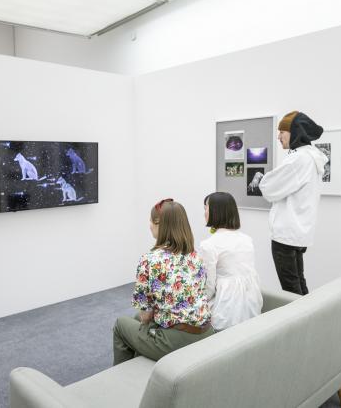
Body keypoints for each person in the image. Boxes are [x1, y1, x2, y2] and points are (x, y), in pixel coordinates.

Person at [112, 199, 213, 366]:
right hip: (205, 331)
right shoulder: (196, 257)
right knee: (136, 318)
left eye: (151, 221)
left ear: (159, 224)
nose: (149, 225)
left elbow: (146, 317)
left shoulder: (150, 260)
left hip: (177, 341)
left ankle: (121, 379)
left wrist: (155, 302)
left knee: (121, 325)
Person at [258, 111, 328, 295]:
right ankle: (312, 322)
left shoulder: (298, 159)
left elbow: (268, 188)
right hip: (299, 232)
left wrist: (262, 180)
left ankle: (302, 323)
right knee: (299, 285)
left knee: (291, 292)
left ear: (295, 132)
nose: (278, 136)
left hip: (286, 234)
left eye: (282, 131)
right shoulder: (311, 157)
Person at [199, 192, 263, 331]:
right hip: (252, 305)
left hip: (226, 309)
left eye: (206, 208)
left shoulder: (209, 245)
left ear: (216, 211)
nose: (204, 212)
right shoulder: (247, 240)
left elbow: (208, 286)